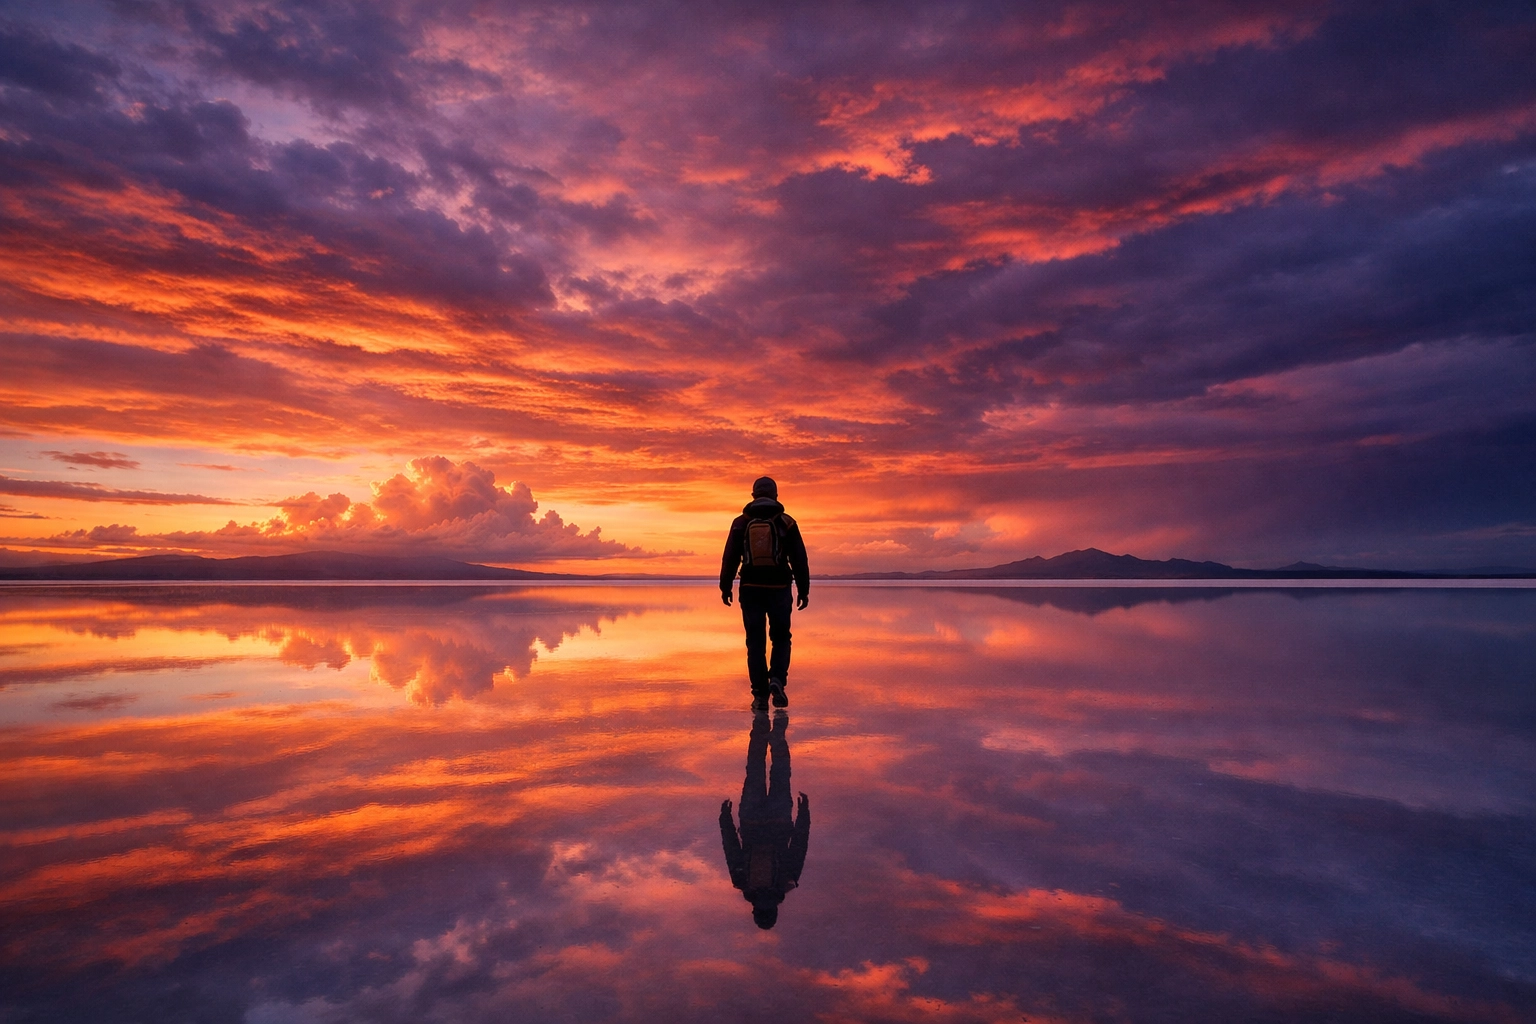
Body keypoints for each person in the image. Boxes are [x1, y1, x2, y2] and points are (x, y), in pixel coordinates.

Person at [719, 476, 809, 709]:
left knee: (755, 642)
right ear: (776, 496)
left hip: (750, 590)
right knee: (781, 638)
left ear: (753, 496)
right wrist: (804, 589)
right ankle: (777, 679)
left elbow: (729, 557)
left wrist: (725, 586)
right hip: (779, 589)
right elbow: (799, 559)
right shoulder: (786, 522)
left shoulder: (740, 523)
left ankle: (759, 695)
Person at [719, 710, 809, 929]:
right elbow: (731, 849)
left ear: (776, 910)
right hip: (751, 820)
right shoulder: (742, 882)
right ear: (755, 911)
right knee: (755, 768)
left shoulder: (787, 882)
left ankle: (778, 728)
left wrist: (804, 814)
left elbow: (799, 845)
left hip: (779, 819)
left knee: (780, 772)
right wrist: (725, 819)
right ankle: (760, 724)